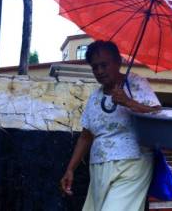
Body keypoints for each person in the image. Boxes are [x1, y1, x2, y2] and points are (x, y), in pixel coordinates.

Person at [60, 40, 161, 211]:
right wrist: (70, 169)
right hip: (99, 166)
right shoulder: (95, 97)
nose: (99, 71)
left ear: (118, 62)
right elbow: (86, 136)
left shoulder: (136, 83)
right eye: (95, 67)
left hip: (132, 163)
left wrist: (128, 102)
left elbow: (158, 114)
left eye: (104, 65)